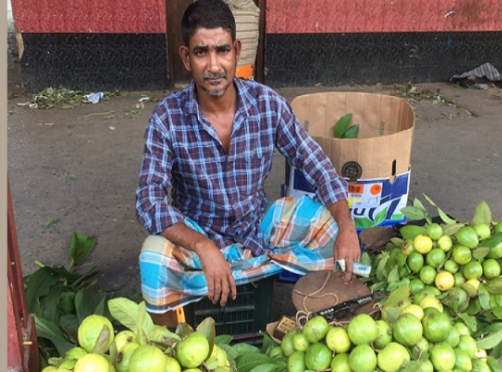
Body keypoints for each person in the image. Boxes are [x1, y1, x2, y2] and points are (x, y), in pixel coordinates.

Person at [136, 0, 360, 317]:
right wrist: (203, 245)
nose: (214, 66)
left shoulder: (267, 104)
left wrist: (348, 225)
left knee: (332, 229)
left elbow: (318, 167)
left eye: (222, 50)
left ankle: (322, 319)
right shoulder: (167, 118)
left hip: (257, 230)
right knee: (153, 258)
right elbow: (148, 201)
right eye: (202, 52)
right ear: (187, 57)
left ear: (237, 51)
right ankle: (173, 349)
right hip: (198, 237)